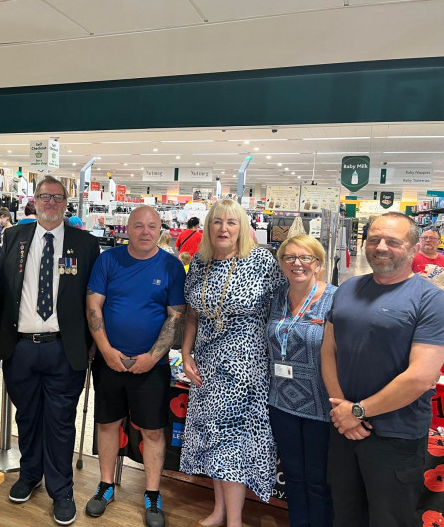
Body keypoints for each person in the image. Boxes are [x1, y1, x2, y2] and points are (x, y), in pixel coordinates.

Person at [320, 212, 444, 526]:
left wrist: (357, 412)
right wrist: (342, 410)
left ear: (414, 249)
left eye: (393, 241)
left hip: (395, 435)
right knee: (346, 514)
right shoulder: (348, 289)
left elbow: (421, 377)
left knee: (390, 519)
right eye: (374, 239)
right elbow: (328, 350)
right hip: (343, 428)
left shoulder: (431, 300)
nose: (381, 246)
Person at [0, 175, 99, 526]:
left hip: (63, 349)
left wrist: (91, 345)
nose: (51, 202)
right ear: (35, 200)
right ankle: (29, 475)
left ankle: (62, 490)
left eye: (57, 197)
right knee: (26, 417)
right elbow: (2, 291)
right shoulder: (14, 237)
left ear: (66, 202)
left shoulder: (85, 244)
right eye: (45, 196)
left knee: (59, 423)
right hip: (21, 347)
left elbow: (93, 300)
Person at [180, 198, 284, 527]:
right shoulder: (200, 263)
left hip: (247, 367)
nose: (224, 229)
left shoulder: (261, 262)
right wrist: (186, 353)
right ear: (208, 227)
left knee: (235, 443)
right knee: (214, 438)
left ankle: (234, 520)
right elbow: (192, 315)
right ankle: (220, 510)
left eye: (232, 222)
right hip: (208, 366)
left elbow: (284, 308)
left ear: (243, 228)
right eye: (217, 222)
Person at [85, 206, 186, 527]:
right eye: (139, 226)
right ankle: (105, 484)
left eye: (152, 226)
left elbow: (175, 315)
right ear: (127, 228)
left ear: (160, 230)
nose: (145, 232)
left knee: (153, 430)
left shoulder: (171, 266)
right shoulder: (108, 260)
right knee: (107, 424)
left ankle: (152, 493)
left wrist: (153, 357)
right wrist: (106, 350)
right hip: (108, 361)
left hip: (151, 366)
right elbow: (93, 305)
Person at [266, 235, 337, 527]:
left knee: (319, 481)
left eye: (305, 257)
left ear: (318, 263)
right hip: (281, 401)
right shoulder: (276, 296)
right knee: (294, 476)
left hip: (321, 404)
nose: (297, 263)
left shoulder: (335, 298)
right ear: (281, 263)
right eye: (289, 257)